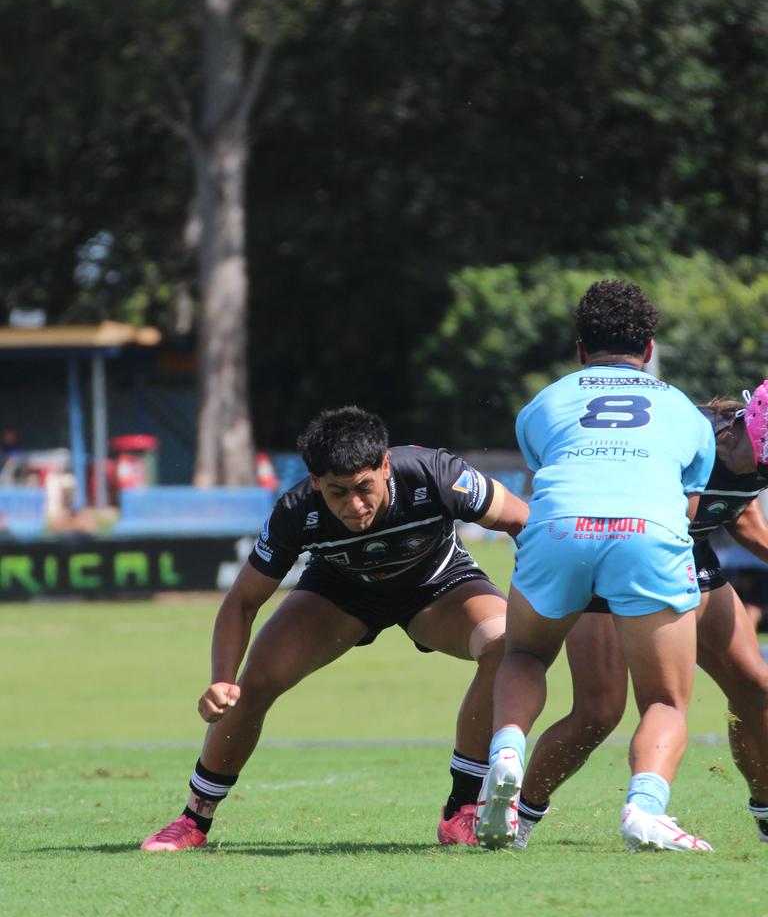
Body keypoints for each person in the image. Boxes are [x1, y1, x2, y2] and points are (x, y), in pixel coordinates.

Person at [141, 405, 528, 851]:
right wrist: (221, 679)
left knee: (504, 642)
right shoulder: (295, 510)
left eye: (364, 487)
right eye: (337, 492)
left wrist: (535, 605)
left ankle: (461, 809)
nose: (354, 505)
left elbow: (524, 522)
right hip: (341, 594)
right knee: (255, 683)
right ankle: (194, 820)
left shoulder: (435, 473)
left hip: (437, 585)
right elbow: (242, 602)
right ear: (313, 480)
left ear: (385, 465)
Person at [474, 278, 716, 853]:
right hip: (646, 537)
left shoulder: (544, 403)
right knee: (662, 700)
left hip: (557, 530)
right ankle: (645, 808)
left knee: (527, 653)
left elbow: (551, 473)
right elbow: (688, 509)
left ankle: (507, 750)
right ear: (650, 348)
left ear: (580, 348)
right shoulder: (685, 411)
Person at [514, 382, 768, 848]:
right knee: (598, 711)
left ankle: (766, 814)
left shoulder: (754, 452)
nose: (762, 472)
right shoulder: (687, 433)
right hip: (621, 551)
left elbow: (745, 518)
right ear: (741, 428)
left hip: (687, 553)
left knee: (756, 689)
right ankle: (519, 812)